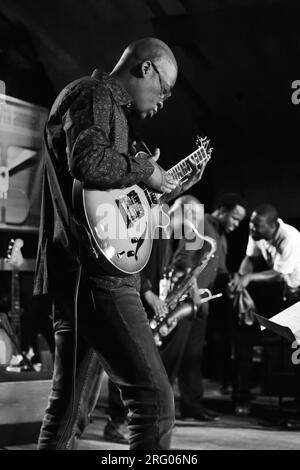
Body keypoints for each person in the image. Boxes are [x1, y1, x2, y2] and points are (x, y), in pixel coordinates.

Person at [34, 37, 203, 450]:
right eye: (165, 90)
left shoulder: (104, 109)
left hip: (80, 272)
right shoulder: (95, 94)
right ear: (146, 68)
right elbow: (88, 161)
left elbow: (106, 203)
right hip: (100, 277)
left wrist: (162, 188)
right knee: (155, 400)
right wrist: (146, 169)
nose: (163, 102)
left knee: (68, 414)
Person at [229, 203, 300, 419]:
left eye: (256, 225)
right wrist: (240, 278)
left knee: (297, 350)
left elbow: (280, 273)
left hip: (296, 294)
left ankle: (298, 402)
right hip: (279, 292)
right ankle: (242, 397)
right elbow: (250, 259)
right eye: (251, 223)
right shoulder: (257, 232)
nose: (251, 228)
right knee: (245, 337)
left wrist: (249, 278)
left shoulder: (290, 237)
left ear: (271, 225)